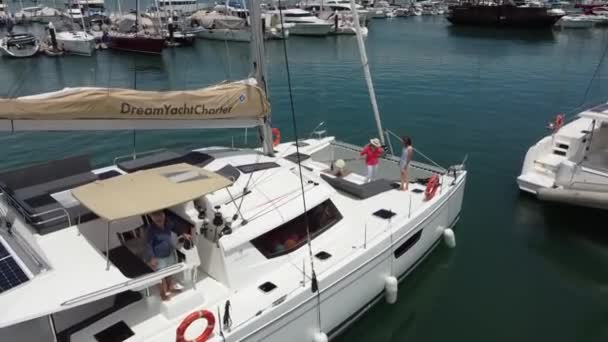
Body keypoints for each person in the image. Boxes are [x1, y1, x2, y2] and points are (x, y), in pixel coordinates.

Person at [146, 210, 192, 301]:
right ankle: (163, 293)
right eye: (155, 216)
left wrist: (184, 233)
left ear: (163, 215)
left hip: (169, 253)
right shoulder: (151, 230)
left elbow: (176, 227)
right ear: (151, 217)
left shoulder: (168, 223)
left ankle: (170, 287)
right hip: (159, 257)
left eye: (160, 215)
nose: (158, 218)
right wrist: (152, 257)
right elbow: (149, 245)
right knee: (161, 276)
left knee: (170, 272)